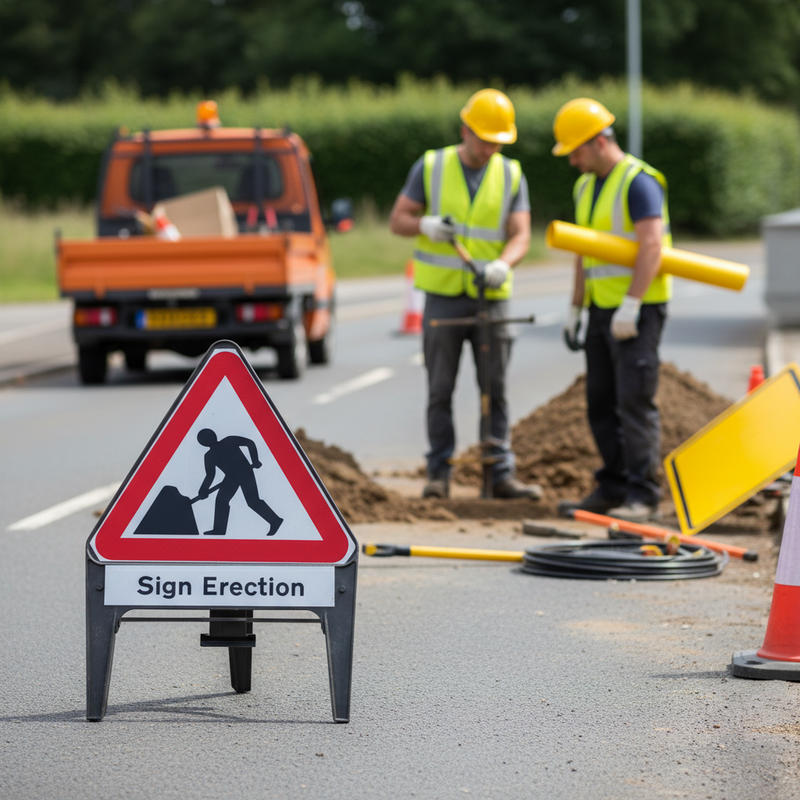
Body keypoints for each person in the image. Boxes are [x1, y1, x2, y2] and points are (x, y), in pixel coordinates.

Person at [389, 88, 540, 500]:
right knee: (440, 388)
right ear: (465, 131)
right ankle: (439, 473)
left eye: (498, 141)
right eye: (485, 139)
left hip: (491, 297)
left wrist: (503, 264)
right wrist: (425, 226)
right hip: (443, 298)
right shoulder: (432, 166)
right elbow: (398, 219)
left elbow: (521, 235)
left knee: (496, 388)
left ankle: (498, 475)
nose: (491, 148)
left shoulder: (511, 174)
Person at [552, 98, 671, 523]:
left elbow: (652, 245)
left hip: (639, 310)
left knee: (635, 401)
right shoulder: (586, 185)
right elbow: (584, 252)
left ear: (600, 141)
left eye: (576, 151)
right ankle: (613, 485)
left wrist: (633, 303)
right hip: (603, 309)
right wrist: (575, 307)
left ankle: (643, 493)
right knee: (600, 401)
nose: (572, 160)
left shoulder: (638, 182)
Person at [196, 428, 283, 536]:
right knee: (221, 501)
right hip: (231, 477)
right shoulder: (210, 455)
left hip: (245, 472)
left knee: (252, 501)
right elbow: (210, 475)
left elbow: (249, 443)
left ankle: (275, 520)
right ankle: (219, 530)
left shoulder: (228, 441)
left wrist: (255, 460)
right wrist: (203, 489)